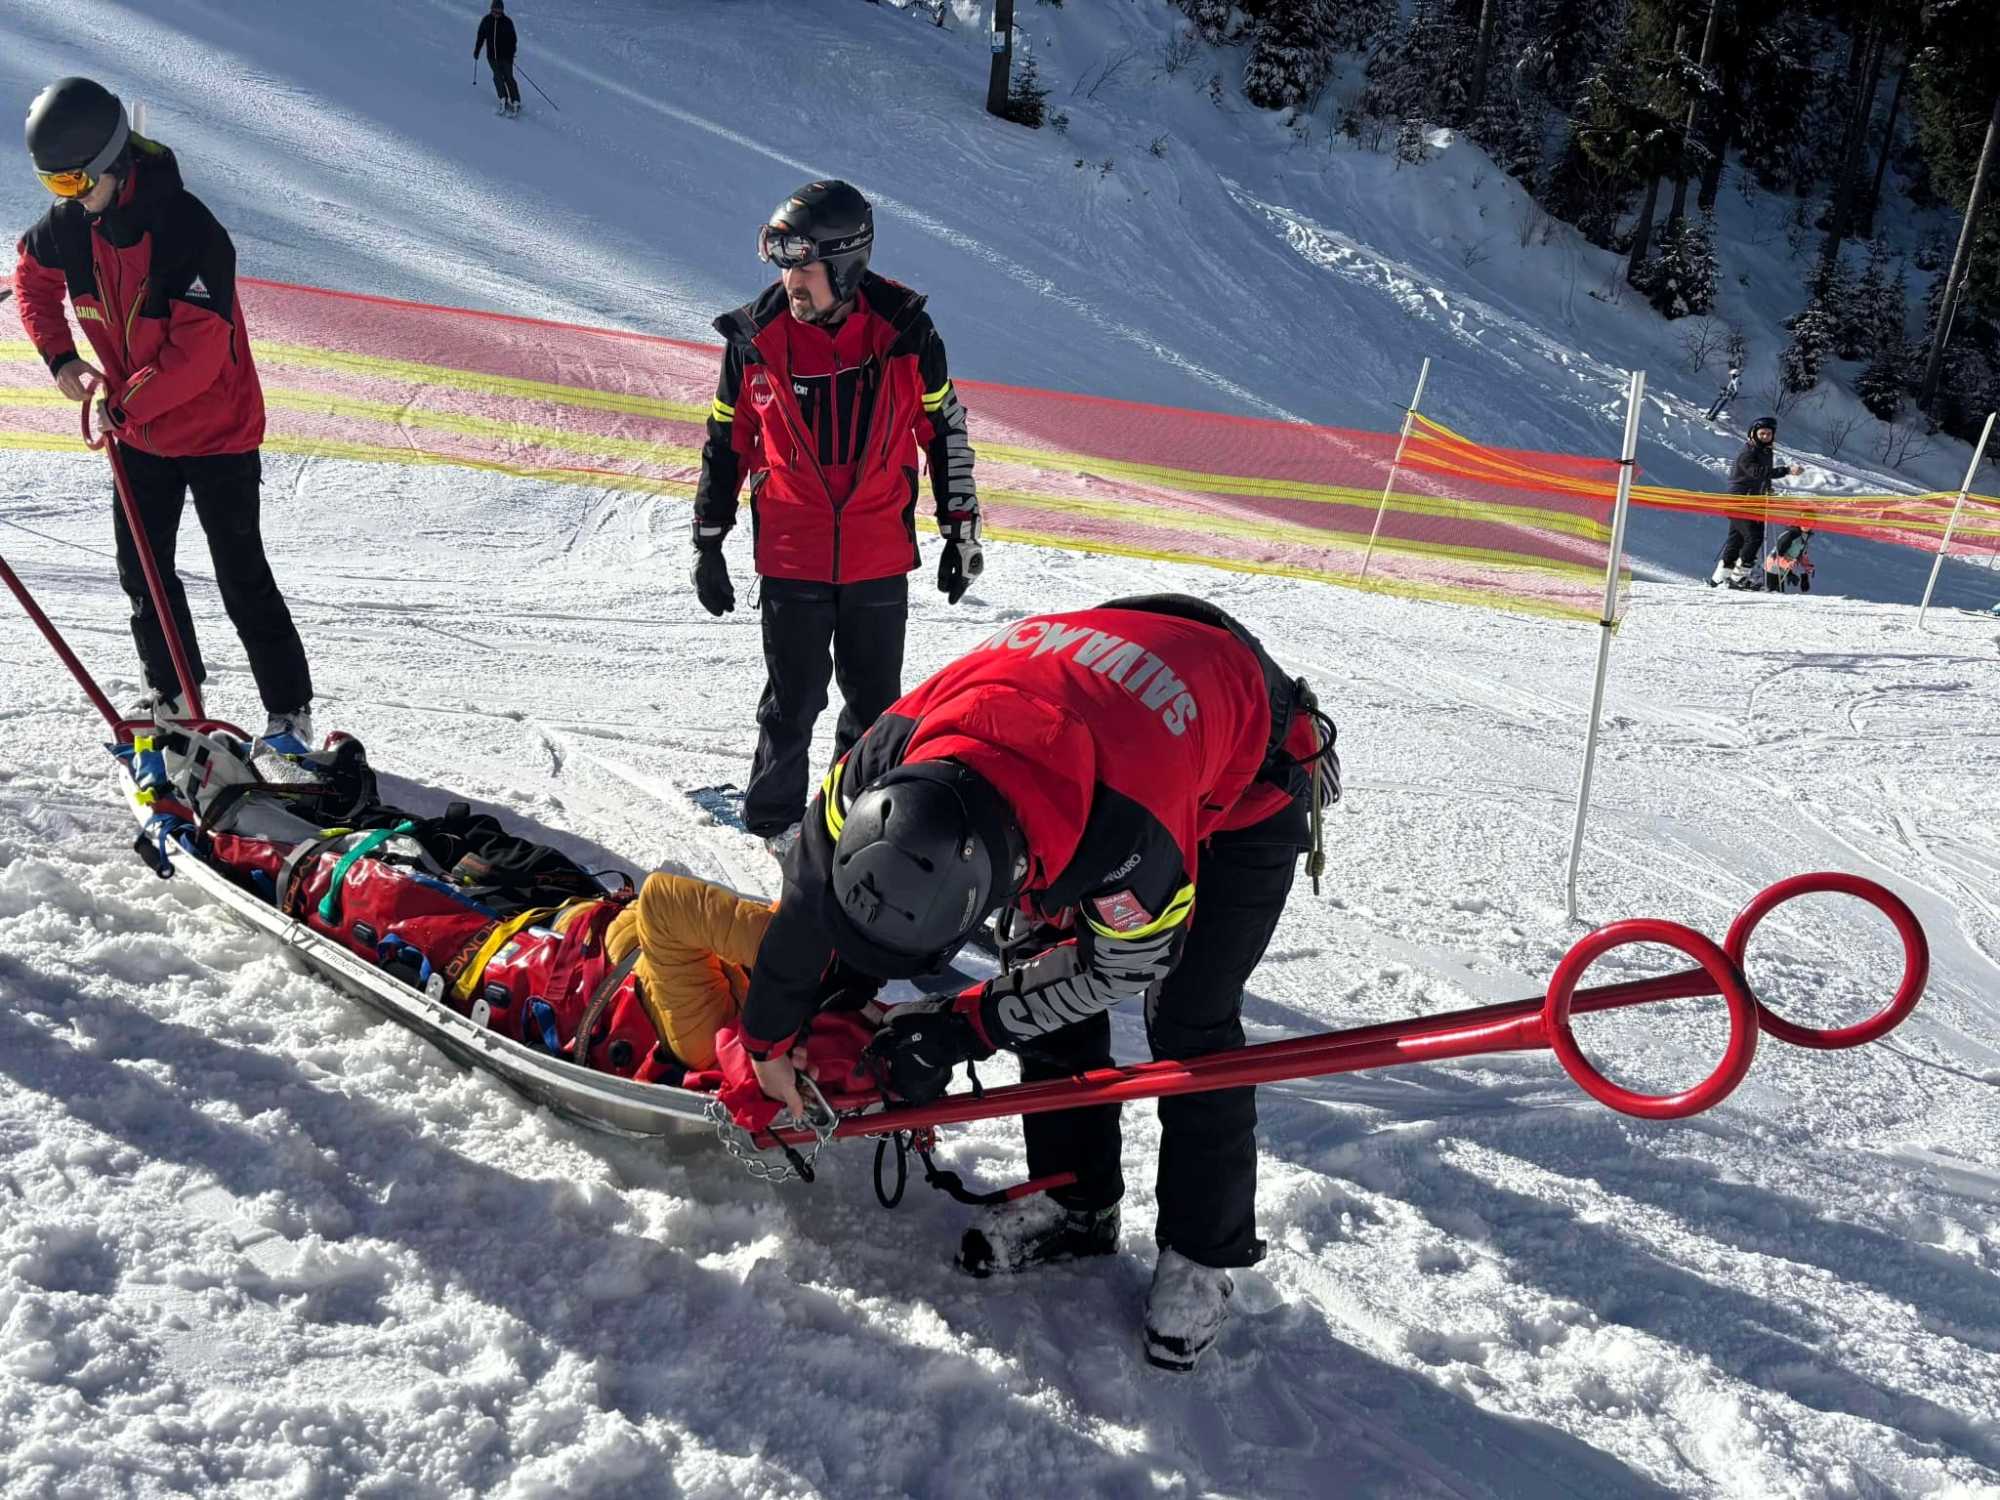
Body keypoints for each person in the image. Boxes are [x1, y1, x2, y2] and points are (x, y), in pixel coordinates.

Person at [737, 594, 1340, 1372]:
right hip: (1082, 712)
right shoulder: (881, 757)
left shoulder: (1131, 838)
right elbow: (813, 890)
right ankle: (1076, 1201)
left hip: (1245, 778)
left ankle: (1201, 1253)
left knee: (1192, 1020)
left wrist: (964, 1027)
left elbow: (1115, 968)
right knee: (1035, 966)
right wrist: (769, 1033)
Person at [14, 77, 315, 750]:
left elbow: (197, 359)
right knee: (144, 573)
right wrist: (61, 359)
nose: (63, 200)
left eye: (70, 183)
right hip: (138, 436)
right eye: (53, 186)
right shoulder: (72, 225)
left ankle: (289, 714)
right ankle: (174, 697)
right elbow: (31, 278)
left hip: (217, 433)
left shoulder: (190, 231)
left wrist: (122, 406)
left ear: (111, 167)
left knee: (242, 575)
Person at [691, 180, 982, 862]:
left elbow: (945, 431)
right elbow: (724, 441)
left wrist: (960, 532)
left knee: (876, 710)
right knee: (790, 703)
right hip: (792, 551)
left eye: (804, 266)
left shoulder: (906, 332)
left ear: (846, 264)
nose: (791, 281)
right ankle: (768, 826)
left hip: (879, 553)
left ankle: (859, 827)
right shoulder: (755, 338)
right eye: (784, 267)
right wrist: (708, 541)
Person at [1710, 416, 1801, 589]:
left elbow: (1759, 477)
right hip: (1739, 501)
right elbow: (1756, 472)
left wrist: (1766, 489)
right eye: (1762, 434)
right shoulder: (1748, 452)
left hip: (1752, 500)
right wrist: (1787, 470)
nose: (1766, 437)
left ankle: (1720, 578)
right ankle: (1739, 578)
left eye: (1769, 434)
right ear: (1753, 434)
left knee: (1736, 540)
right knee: (1754, 537)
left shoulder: (1765, 452)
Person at [474, 1, 522, 117]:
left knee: (508, 77)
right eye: (494, 11)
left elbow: (513, 39)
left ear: (502, 11)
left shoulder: (507, 22)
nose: (496, 13)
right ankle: (503, 97)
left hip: (505, 56)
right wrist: (477, 50)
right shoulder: (486, 21)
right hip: (492, 56)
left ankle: (515, 100)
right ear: (491, 10)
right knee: (497, 77)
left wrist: (511, 52)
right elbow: (481, 36)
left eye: (499, 11)